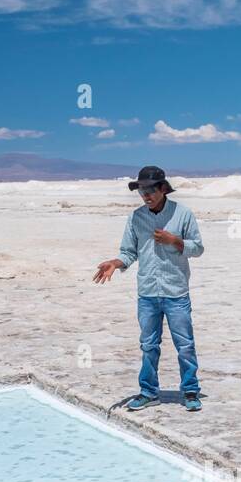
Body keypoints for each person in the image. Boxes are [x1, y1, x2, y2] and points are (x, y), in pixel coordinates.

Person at [94, 165, 204, 411]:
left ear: (163, 189)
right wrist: (115, 262)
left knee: (185, 344)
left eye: (150, 190)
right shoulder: (136, 217)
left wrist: (174, 241)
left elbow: (197, 248)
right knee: (148, 345)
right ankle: (148, 391)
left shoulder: (183, 214)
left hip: (176, 292)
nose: (146, 195)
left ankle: (190, 391)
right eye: (141, 190)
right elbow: (129, 252)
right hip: (147, 294)